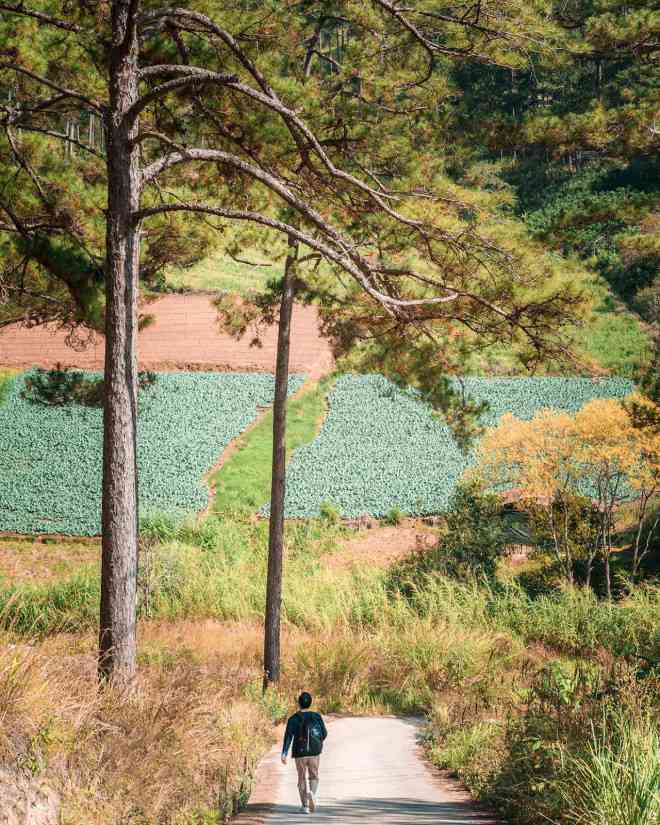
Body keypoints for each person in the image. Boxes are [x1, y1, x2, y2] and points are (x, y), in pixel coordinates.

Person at [281, 691, 328, 814]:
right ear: (310, 703)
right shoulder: (317, 716)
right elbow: (324, 734)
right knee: (314, 775)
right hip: (314, 752)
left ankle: (305, 806)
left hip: (299, 753)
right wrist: (318, 744)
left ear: (299, 703)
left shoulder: (293, 719)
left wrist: (284, 753)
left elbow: (288, 737)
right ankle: (312, 793)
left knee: (301, 778)